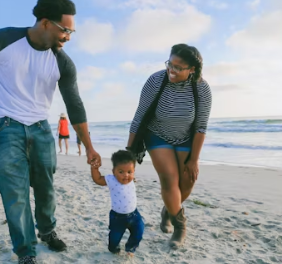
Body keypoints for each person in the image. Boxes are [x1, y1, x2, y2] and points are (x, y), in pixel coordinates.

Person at [0, 0, 101, 263]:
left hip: (40, 129)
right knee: (15, 193)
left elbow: (75, 105)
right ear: (45, 23)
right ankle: (26, 251)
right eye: (65, 30)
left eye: (72, 32)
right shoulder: (0, 40)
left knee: (46, 188)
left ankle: (46, 230)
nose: (68, 37)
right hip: (2, 126)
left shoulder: (63, 63)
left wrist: (89, 146)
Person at [127, 44, 212, 249]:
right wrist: (129, 152)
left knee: (187, 182)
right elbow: (139, 115)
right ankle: (180, 226)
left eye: (178, 67)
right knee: (169, 179)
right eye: (169, 64)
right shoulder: (156, 80)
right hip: (157, 135)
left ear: (192, 69)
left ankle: (169, 210)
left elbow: (201, 127)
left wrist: (194, 160)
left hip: (185, 138)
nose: (171, 70)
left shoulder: (201, 88)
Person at [91, 150, 144, 256]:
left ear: (134, 171)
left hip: (134, 214)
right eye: (121, 172)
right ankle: (114, 249)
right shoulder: (111, 180)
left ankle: (130, 248)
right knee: (115, 238)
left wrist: (132, 177)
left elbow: (130, 178)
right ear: (114, 171)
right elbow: (97, 179)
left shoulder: (131, 179)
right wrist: (94, 169)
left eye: (129, 172)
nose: (125, 175)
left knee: (139, 232)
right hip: (118, 217)